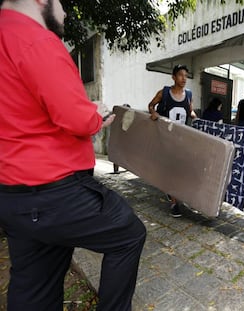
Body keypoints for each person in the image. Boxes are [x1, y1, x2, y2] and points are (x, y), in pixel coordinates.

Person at [0, 1, 147, 310]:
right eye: (61, 3)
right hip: (56, 192)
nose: (65, 12)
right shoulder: (35, 38)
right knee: (129, 235)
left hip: (13, 197)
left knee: (34, 287)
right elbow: (74, 117)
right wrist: (95, 114)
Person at [148, 64, 197, 217]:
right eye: (181, 75)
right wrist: (153, 112)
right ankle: (174, 203)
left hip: (181, 139)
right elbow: (151, 105)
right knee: (172, 169)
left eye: (186, 76)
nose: (184, 78)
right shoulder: (164, 92)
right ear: (173, 77)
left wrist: (194, 115)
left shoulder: (188, 94)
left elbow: (190, 110)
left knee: (178, 169)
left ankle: (172, 193)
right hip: (165, 138)